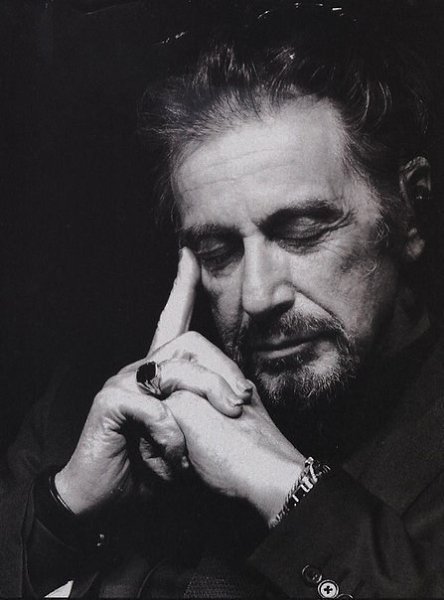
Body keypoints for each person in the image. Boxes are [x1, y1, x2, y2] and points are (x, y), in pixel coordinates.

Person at [2, 1, 444, 597]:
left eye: (301, 233)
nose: (258, 295)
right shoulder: (77, 413)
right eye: (217, 251)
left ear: (410, 212)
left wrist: (286, 486)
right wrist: (62, 512)